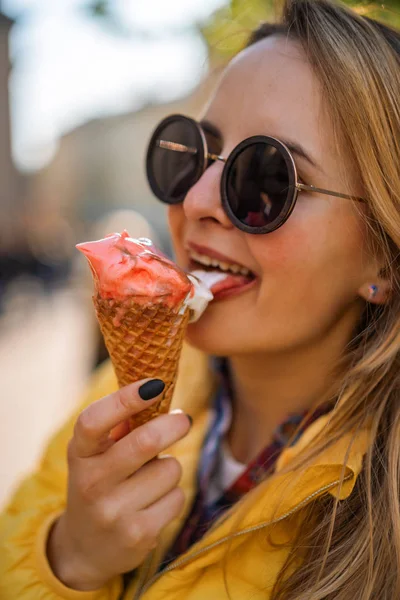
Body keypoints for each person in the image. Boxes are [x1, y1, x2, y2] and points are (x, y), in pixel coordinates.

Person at [1, 0, 399, 598]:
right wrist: (70, 558)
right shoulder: (112, 398)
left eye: (265, 177)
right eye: (190, 155)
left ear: (382, 261)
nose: (195, 203)